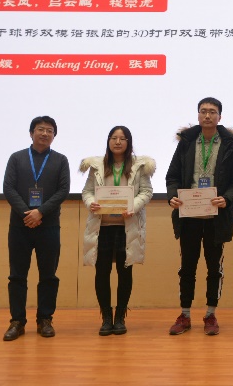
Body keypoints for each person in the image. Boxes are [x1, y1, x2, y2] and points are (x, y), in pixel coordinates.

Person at [166, 97, 233, 336]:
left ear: (220, 117)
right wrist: (172, 197)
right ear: (198, 115)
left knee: (214, 268)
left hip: (216, 218)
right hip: (188, 216)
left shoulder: (230, 144)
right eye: (203, 111)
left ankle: (211, 314)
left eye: (212, 112)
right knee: (187, 268)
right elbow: (172, 177)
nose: (207, 115)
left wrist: (227, 199)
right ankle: (185, 314)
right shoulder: (186, 142)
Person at [80, 126, 156, 336]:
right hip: (102, 227)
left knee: (125, 272)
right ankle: (106, 317)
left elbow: (147, 192)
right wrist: (91, 203)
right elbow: (87, 192)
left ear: (129, 142)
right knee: (102, 272)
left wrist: (134, 206)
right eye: (114, 138)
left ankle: (120, 317)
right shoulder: (97, 166)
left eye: (122, 138)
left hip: (127, 228)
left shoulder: (139, 166)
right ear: (108, 141)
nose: (118, 142)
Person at [3, 116, 70, 341]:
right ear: (31, 133)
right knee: (17, 276)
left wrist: (40, 212)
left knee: (48, 276)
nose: (45, 133)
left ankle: (45, 319)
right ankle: (17, 321)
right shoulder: (17, 158)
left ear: (54, 136)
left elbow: (63, 191)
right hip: (19, 226)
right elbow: (8, 188)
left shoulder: (60, 160)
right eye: (40, 129)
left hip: (48, 226)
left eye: (49, 130)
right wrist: (27, 213)